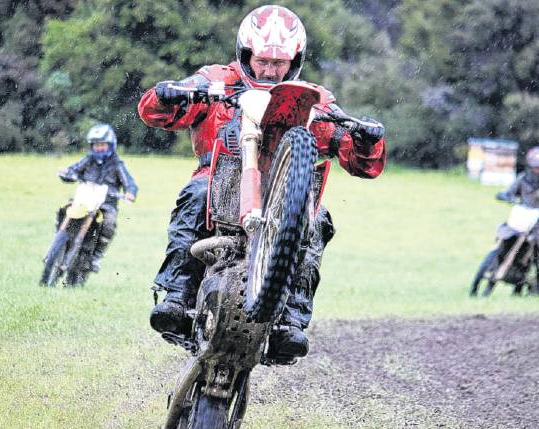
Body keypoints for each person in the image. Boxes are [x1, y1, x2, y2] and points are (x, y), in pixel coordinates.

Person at [137, 4, 386, 359]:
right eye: (263, 62)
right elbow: (154, 112)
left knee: (318, 219)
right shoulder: (217, 80)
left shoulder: (309, 98)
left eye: (279, 63)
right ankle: (177, 295)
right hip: (219, 179)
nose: (270, 70)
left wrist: (367, 139)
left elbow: (360, 161)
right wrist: (167, 94)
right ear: (246, 54)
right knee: (195, 192)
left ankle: (291, 320)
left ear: (294, 60)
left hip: (282, 192)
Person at [58, 123, 137, 273]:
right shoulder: (88, 160)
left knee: (109, 223)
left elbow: (129, 183)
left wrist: (130, 193)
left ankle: (97, 257)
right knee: (65, 209)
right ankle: (59, 238)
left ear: (111, 145)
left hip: (106, 204)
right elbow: (74, 170)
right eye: (96, 145)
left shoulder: (117, 165)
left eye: (102, 145)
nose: (99, 148)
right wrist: (66, 172)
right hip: (84, 201)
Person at [496, 146, 539, 296]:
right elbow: (510, 192)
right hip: (523, 217)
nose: (535, 171)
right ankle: (497, 260)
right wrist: (505, 196)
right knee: (505, 232)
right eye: (533, 167)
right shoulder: (523, 179)